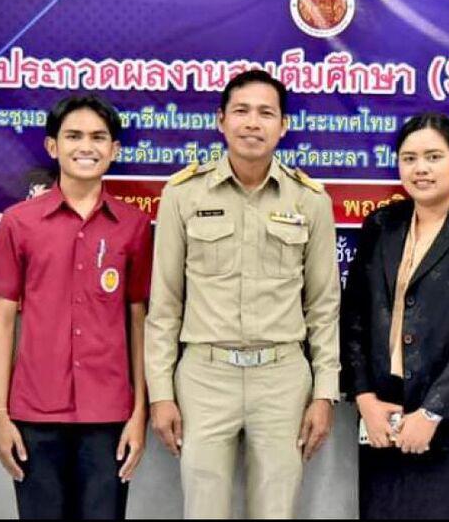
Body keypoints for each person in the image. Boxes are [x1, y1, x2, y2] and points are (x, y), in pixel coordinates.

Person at [145, 69, 340, 519]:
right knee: (203, 511)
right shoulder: (182, 195)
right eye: (242, 111)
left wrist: (324, 393)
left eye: (266, 113)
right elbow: (165, 305)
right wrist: (161, 393)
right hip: (204, 377)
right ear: (221, 120)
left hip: (283, 378)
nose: (253, 123)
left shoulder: (310, 200)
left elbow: (324, 307)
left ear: (283, 125)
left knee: (276, 511)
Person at [0, 94, 153, 520]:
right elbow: (3, 322)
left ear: (115, 149)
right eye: (73, 136)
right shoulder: (19, 222)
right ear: (53, 146)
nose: (85, 147)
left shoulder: (133, 226)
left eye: (98, 137)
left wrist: (139, 413)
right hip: (34, 414)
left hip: (109, 415)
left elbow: (139, 322)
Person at [341, 112, 449, 519]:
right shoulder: (381, 226)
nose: (420, 168)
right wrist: (365, 399)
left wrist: (432, 412)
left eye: (433, 157)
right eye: (409, 158)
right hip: (385, 423)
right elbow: (354, 318)